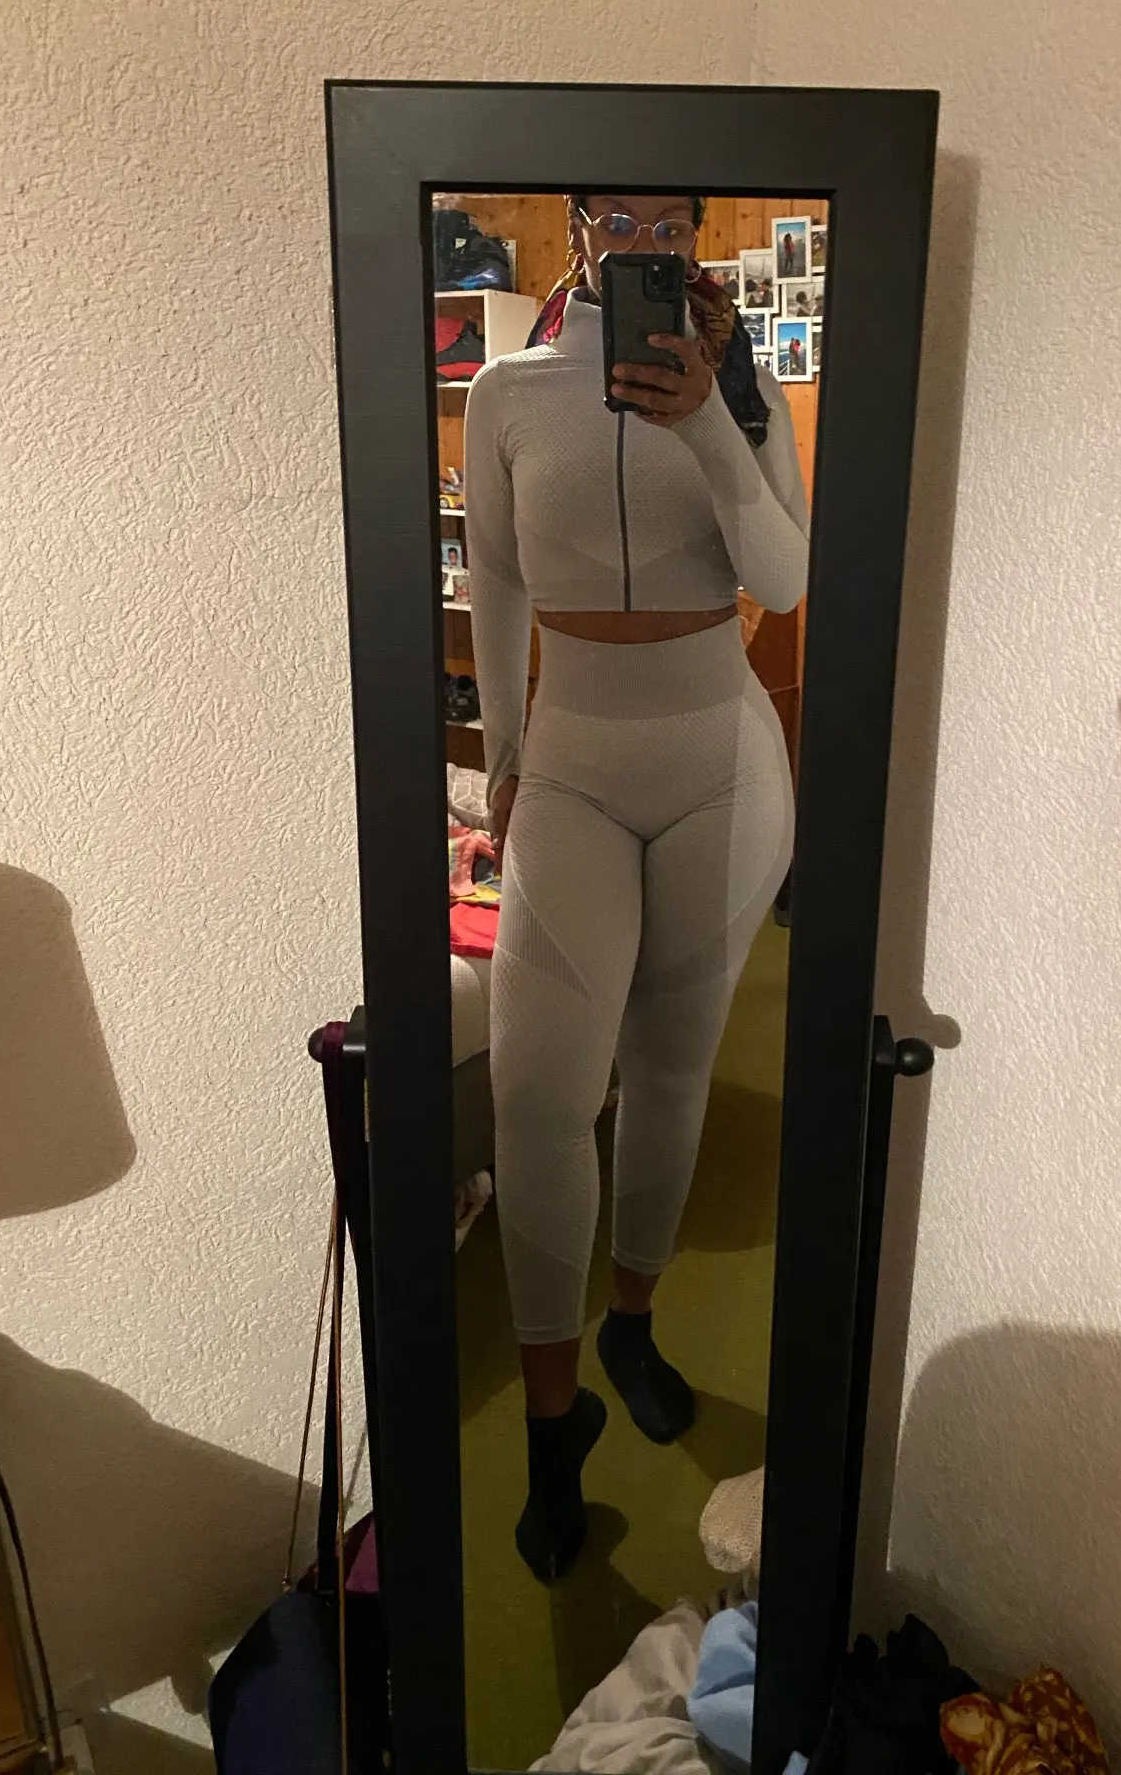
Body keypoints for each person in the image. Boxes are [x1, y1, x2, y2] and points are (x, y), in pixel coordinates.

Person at [464, 193, 809, 1580]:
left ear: (696, 229)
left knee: (669, 1073)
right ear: (579, 224)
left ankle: (634, 1323)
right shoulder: (507, 393)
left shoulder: (740, 383)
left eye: (671, 214)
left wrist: (714, 420)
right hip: (573, 761)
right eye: (618, 211)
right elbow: (495, 578)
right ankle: (555, 1429)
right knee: (539, 1094)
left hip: (720, 758)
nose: (644, 232)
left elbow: (784, 579)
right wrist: (501, 754)